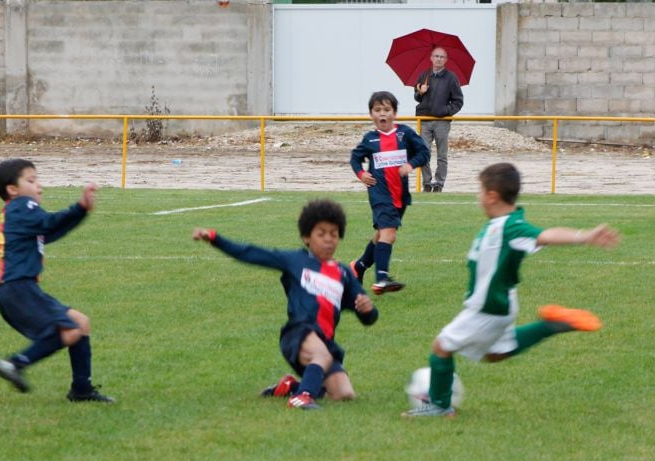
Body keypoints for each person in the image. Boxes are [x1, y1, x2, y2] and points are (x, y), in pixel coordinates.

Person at [403, 162, 620, 417]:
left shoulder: (510, 226)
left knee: (442, 347)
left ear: (492, 196)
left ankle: (439, 406)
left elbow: (545, 235)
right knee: (496, 354)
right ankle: (551, 325)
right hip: (503, 302)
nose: (478, 197)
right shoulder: (502, 222)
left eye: (480, 191)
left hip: (488, 307)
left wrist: (583, 236)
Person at [192, 199, 378, 410]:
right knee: (321, 355)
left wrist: (367, 309)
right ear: (307, 237)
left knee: (344, 394)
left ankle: (290, 386)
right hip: (298, 334)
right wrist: (216, 239)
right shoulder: (295, 260)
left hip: (325, 344)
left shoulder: (344, 274)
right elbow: (251, 253)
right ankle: (302, 397)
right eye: (321, 233)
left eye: (333, 234)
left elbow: (367, 315)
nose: (328, 239)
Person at [0, 158, 114, 402]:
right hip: (19, 289)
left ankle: (81, 389)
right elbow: (50, 223)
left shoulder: (19, 214)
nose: (39, 186)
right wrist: (79, 206)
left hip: (20, 289)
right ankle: (15, 364)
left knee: (81, 322)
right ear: (12, 189)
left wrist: (82, 210)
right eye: (31, 180)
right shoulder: (22, 205)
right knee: (70, 331)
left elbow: (53, 230)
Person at [349, 91, 430, 294]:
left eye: (386, 109)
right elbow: (355, 158)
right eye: (377, 110)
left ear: (394, 113)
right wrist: (361, 174)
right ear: (371, 114)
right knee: (389, 234)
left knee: (381, 235)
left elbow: (424, 153)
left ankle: (357, 267)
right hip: (379, 194)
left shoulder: (405, 134)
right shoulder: (370, 139)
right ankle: (382, 278)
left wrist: (411, 165)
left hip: (400, 196)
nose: (382, 114)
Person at [414, 46, 464, 193]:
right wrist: (420, 92)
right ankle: (427, 183)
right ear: (431, 58)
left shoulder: (451, 77)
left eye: (442, 57)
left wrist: (445, 112)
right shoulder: (424, 75)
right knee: (424, 152)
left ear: (446, 60)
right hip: (424, 120)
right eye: (436, 56)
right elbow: (417, 98)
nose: (438, 59)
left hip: (442, 122)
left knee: (442, 155)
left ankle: (439, 184)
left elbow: (458, 101)